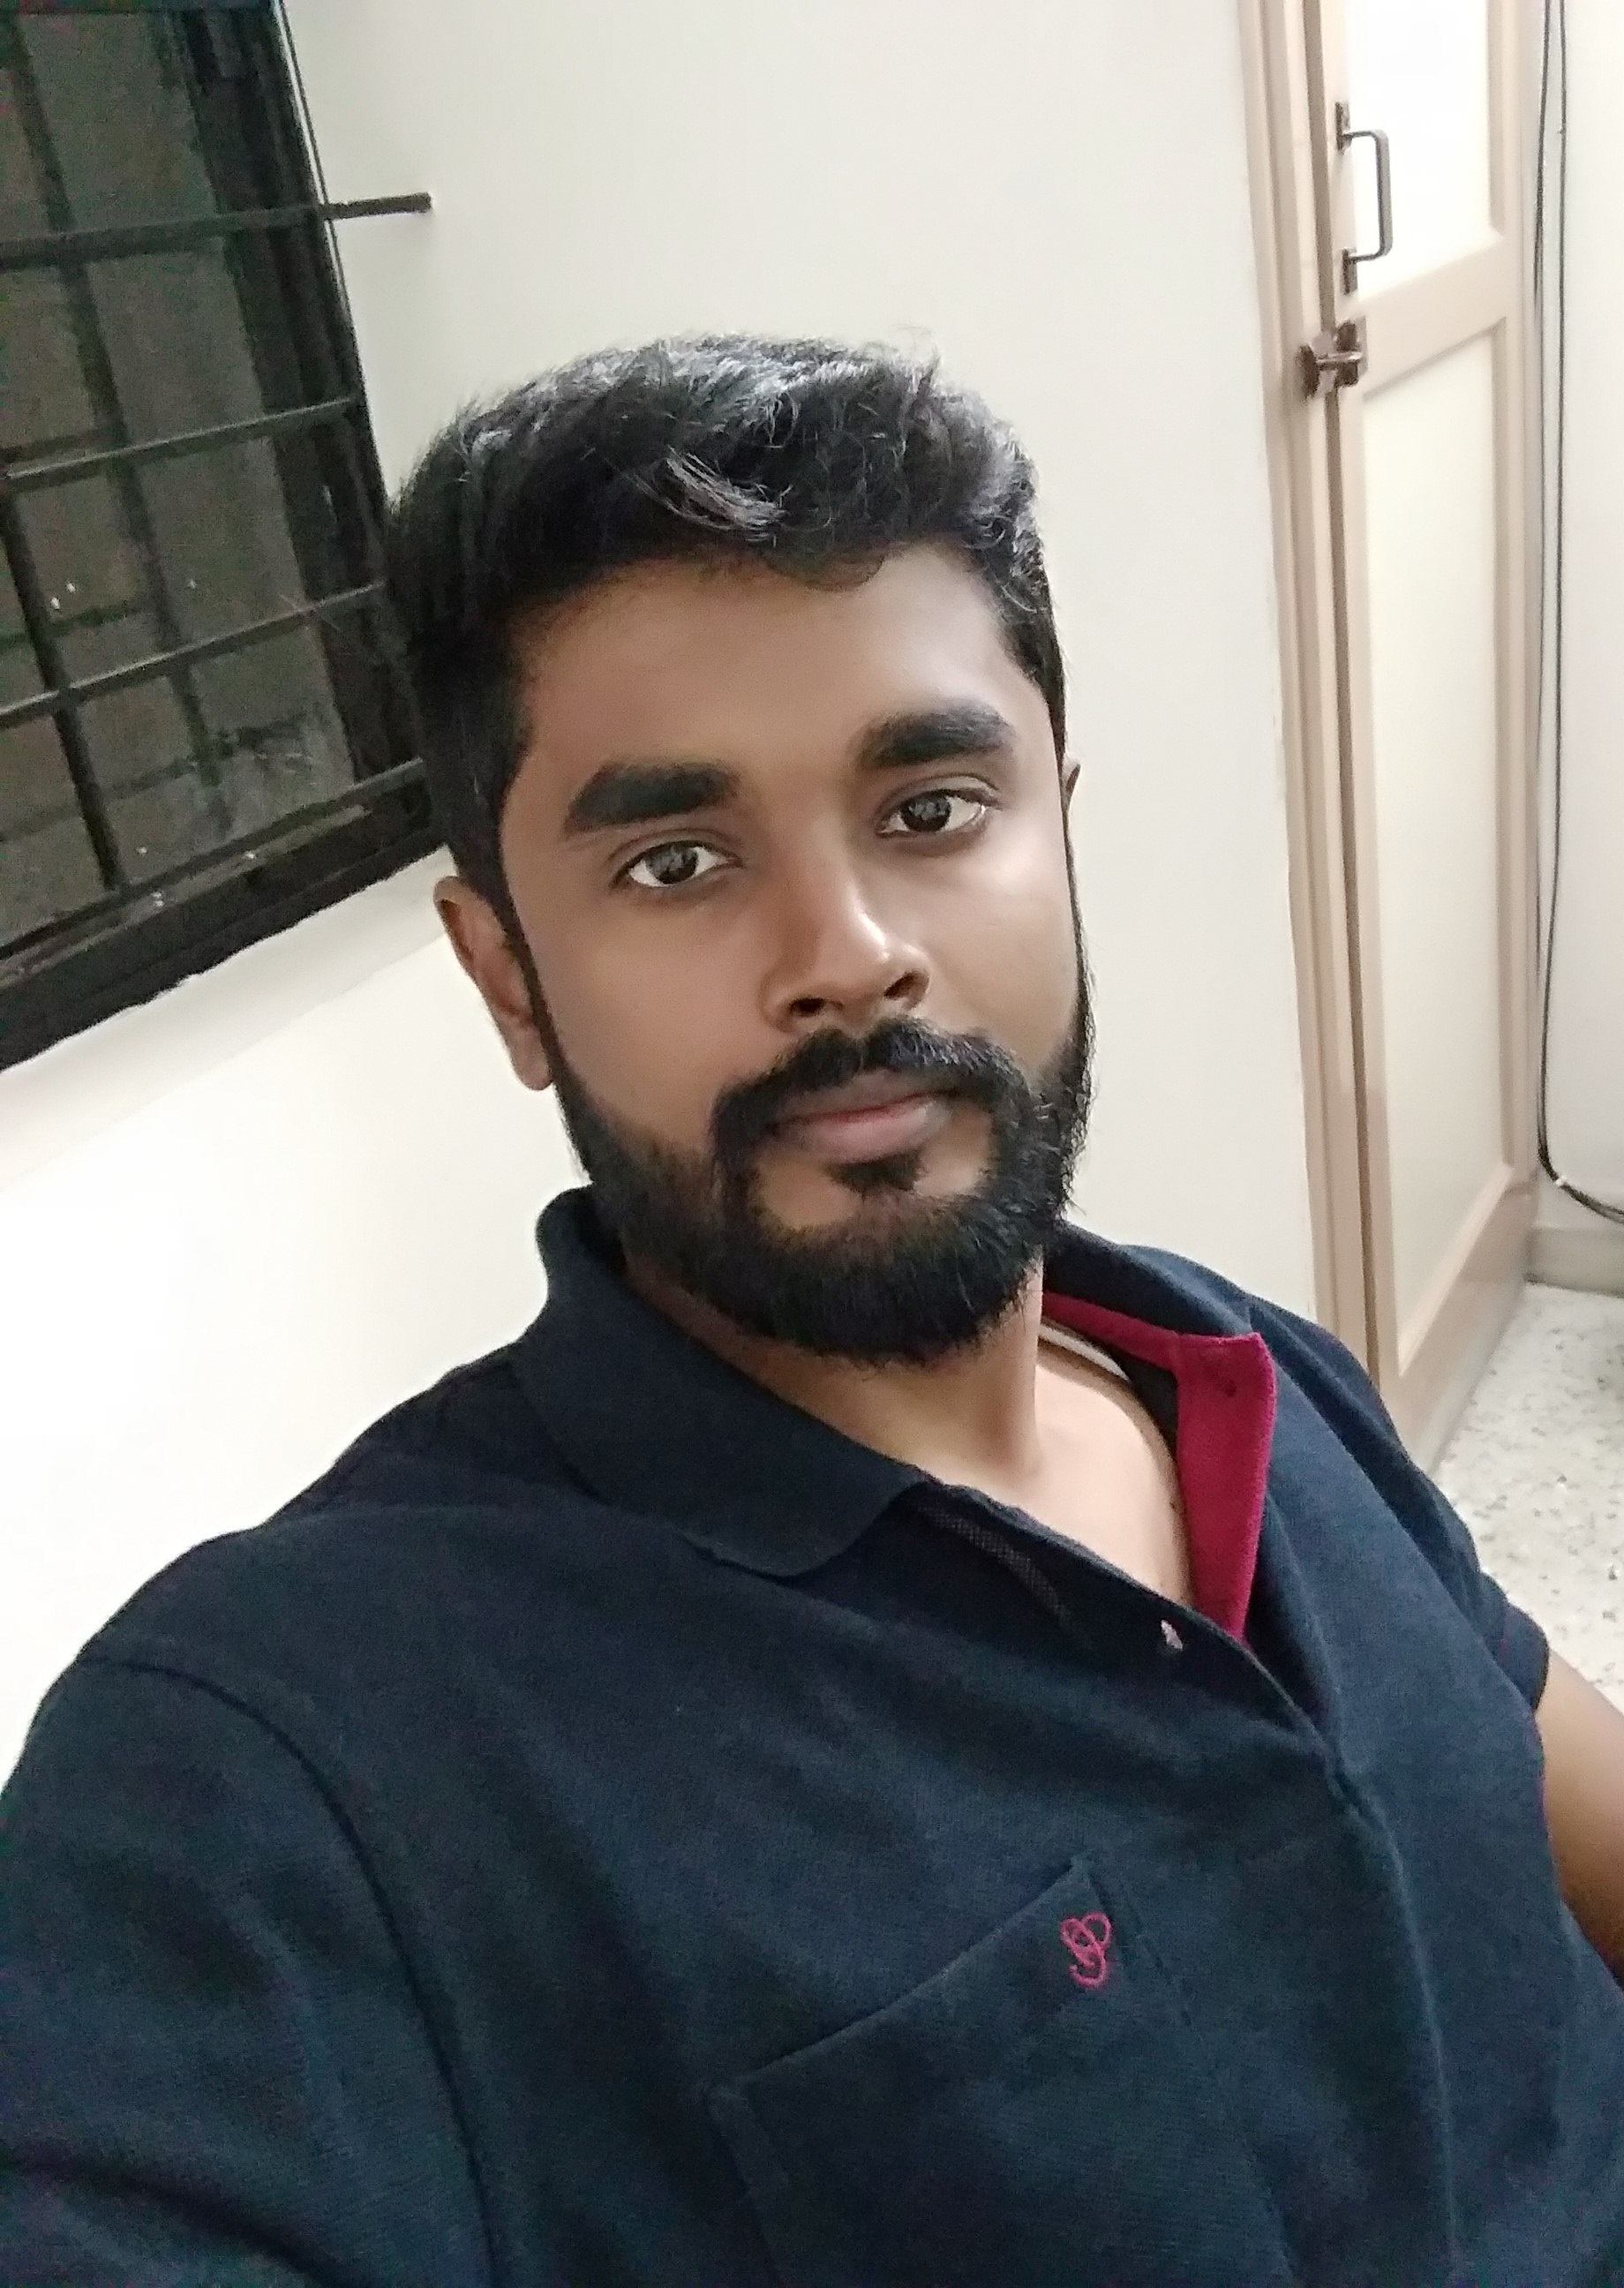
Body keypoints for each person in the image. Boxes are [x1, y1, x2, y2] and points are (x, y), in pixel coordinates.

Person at [2, 335, 1622, 2288]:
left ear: (1059, 830)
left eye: (931, 809)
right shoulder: (286, 1758)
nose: (847, 958)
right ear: (509, 981)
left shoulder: (1247, 1370)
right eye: (676, 860)